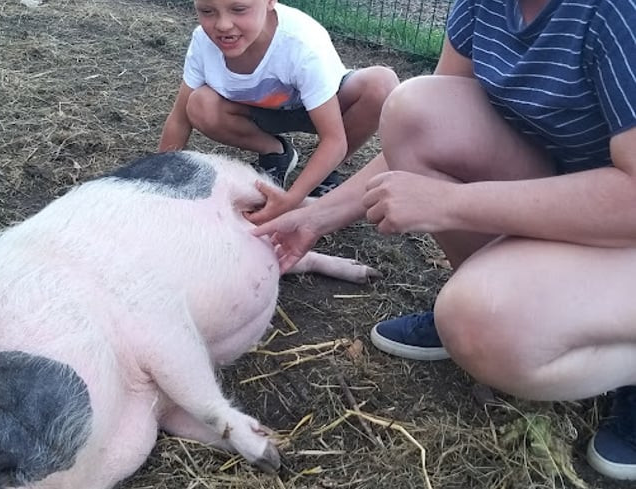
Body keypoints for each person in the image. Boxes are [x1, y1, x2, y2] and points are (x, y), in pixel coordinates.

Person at [253, 0, 636, 481]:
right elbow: (416, 135)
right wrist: (315, 218)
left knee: (480, 322)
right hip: (569, 195)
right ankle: (510, 296)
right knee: (416, 109)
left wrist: (452, 204)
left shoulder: (617, 13)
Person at [158, 0, 399, 224]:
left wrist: (290, 199)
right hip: (259, 113)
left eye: (239, 9)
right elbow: (179, 119)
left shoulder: (300, 42)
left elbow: (334, 140)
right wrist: (159, 179)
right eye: (207, 11)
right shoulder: (203, 42)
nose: (222, 25)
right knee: (199, 104)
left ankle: (323, 173)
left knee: (380, 85)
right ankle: (276, 153)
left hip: (322, 108)